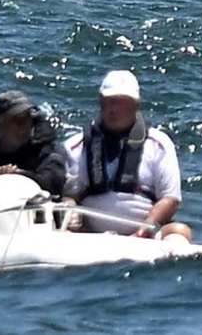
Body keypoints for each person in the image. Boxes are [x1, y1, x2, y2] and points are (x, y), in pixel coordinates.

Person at [61, 70, 185, 240]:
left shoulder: (159, 145)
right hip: (87, 235)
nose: (114, 109)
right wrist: (69, 208)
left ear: (136, 105)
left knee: (180, 231)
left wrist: (142, 232)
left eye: (122, 103)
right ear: (100, 102)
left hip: (144, 234)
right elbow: (68, 196)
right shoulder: (75, 146)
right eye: (109, 102)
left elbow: (170, 199)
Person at [0, 92, 69, 215]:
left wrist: (18, 174)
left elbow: (53, 184)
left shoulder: (46, 146)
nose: (26, 125)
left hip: (38, 215)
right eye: (18, 121)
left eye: (29, 118)